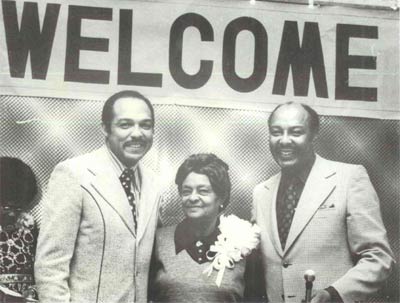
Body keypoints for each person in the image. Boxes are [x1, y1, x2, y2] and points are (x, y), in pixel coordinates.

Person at [252, 102, 395, 303]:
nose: (284, 141)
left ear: (313, 134)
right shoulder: (261, 192)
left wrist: (334, 294)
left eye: (296, 132)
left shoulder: (349, 177)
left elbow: (379, 258)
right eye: (276, 132)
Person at [35, 90, 161, 303]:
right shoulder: (73, 173)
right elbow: (50, 266)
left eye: (145, 125)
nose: (137, 133)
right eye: (125, 124)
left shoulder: (154, 182)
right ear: (105, 128)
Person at [149, 153, 262, 302]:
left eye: (203, 191)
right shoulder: (158, 241)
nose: (193, 198)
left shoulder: (244, 244)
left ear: (221, 197)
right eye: (186, 191)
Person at [0, 157, 38, 301]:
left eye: (18, 207)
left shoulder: (30, 232)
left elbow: (45, 273)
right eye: (7, 207)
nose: (12, 213)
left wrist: (32, 293)